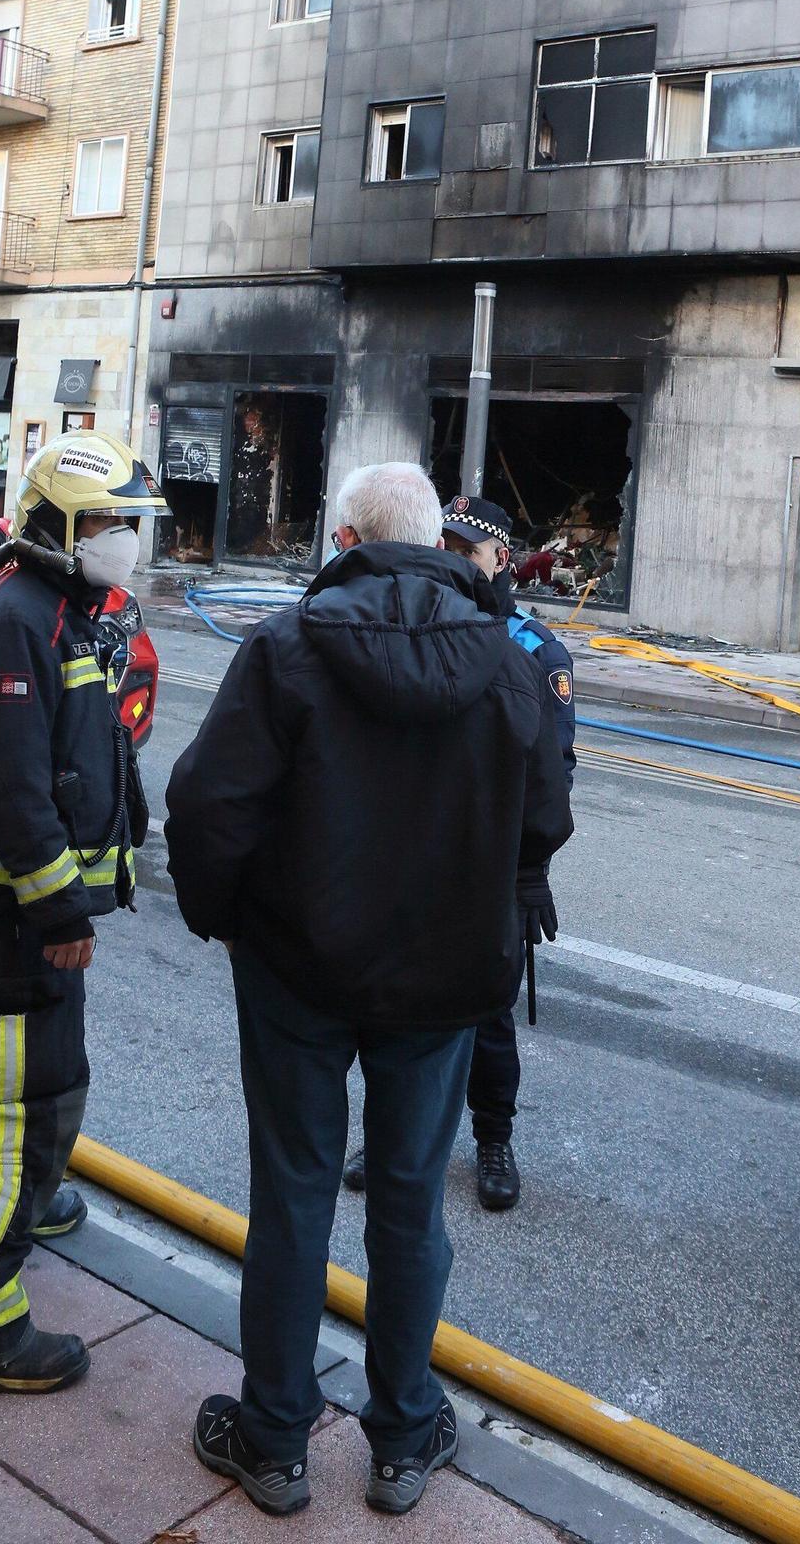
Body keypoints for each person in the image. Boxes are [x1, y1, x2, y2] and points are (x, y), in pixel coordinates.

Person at [165, 462, 572, 1519]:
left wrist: (227, 920)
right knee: (405, 1201)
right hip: (443, 983)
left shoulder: (286, 647)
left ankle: (273, 1437)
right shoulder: (506, 659)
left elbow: (208, 807)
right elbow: (541, 816)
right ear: (439, 539)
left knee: (294, 1194)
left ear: (343, 535)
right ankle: (401, 1436)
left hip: (299, 968)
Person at [0, 432, 166, 1394]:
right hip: (18, 919)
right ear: (58, 523)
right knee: (9, 1117)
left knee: (47, 1087)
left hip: (33, 916)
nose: (122, 541)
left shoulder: (60, 608)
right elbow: (13, 786)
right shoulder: (22, 617)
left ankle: (34, 1199)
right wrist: (62, 912)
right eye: (107, 523)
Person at [342, 493, 574, 1211]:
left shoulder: (534, 649)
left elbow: (550, 772)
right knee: (397, 1004)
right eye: (439, 544)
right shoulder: (420, 621)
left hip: (494, 863)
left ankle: (493, 1138)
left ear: (499, 559)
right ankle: (390, 1133)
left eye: (463, 549)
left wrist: (531, 867)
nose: (447, 560)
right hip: (419, 853)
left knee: (487, 1014)